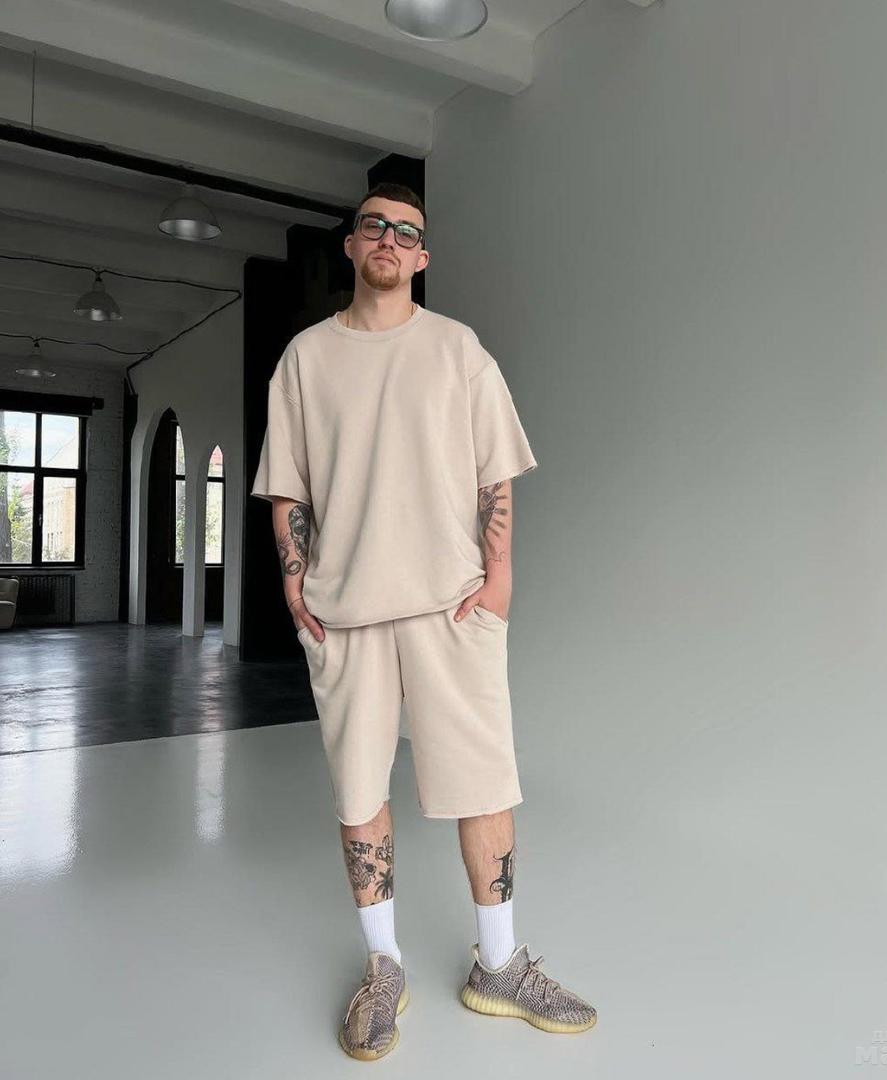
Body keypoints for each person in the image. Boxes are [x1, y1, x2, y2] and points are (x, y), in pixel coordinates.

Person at [250, 182, 596, 1059]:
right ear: (352, 244)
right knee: (358, 792)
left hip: (451, 603)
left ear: (423, 256)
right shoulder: (305, 359)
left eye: (407, 232)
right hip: (346, 611)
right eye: (376, 226)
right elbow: (287, 482)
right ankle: (384, 967)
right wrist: (294, 583)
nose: (390, 240)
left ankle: (499, 964)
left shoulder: (457, 349)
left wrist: (500, 575)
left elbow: (494, 470)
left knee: (484, 782)